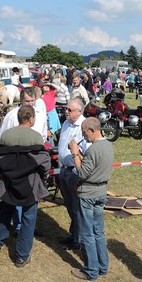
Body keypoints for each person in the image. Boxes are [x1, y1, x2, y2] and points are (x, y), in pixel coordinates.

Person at [0, 106, 51, 267]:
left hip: (9, 182)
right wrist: (44, 175)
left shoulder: (6, 135)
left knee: (6, 211)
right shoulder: (36, 137)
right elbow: (43, 160)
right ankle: (22, 256)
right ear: (31, 119)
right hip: (29, 183)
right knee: (28, 218)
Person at [69, 117, 115, 282]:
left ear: (92, 130)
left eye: (84, 132)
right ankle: (102, 267)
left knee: (87, 233)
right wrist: (81, 155)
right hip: (101, 192)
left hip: (88, 194)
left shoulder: (93, 149)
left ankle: (91, 271)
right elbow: (92, 166)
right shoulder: (108, 145)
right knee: (98, 232)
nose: (83, 135)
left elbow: (82, 173)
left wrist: (75, 153)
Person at [57, 99, 88, 250]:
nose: (66, 112)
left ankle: (79, 240)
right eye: (66, 109)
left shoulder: (84, 127)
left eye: (70, 110)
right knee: (69, 205)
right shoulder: (66, 123)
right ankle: (75, 234)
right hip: (64, 170)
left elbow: (87, 154)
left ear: (79, 112)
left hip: (75, 172)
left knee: (77, 207)